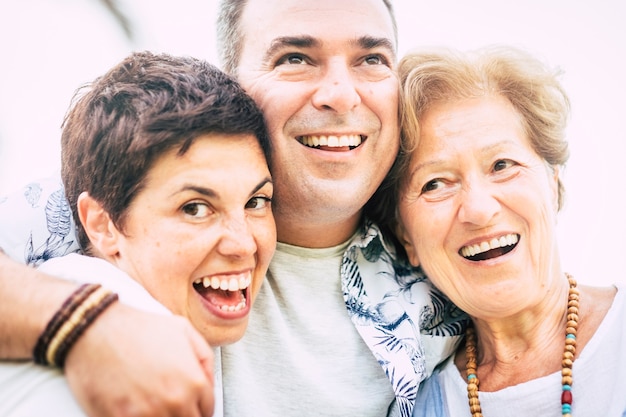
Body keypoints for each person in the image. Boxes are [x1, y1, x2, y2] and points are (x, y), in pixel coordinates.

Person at [0, 1, 465, 416]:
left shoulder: (437, 252)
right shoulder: (110, 194)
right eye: (296, 58)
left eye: (371, 59)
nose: (342, 95)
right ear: (233, 79)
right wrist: (84, 323)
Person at [0, 50, 276, 416]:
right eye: (195, 208)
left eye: (256, 201)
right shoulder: (104, 370)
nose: (243, 244)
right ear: (101, 224)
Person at [377, 46, 625, 416]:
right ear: (405, 237)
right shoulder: (417, 407)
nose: (478, 210)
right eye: (435, 184)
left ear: (553, 184)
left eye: (502, 164)